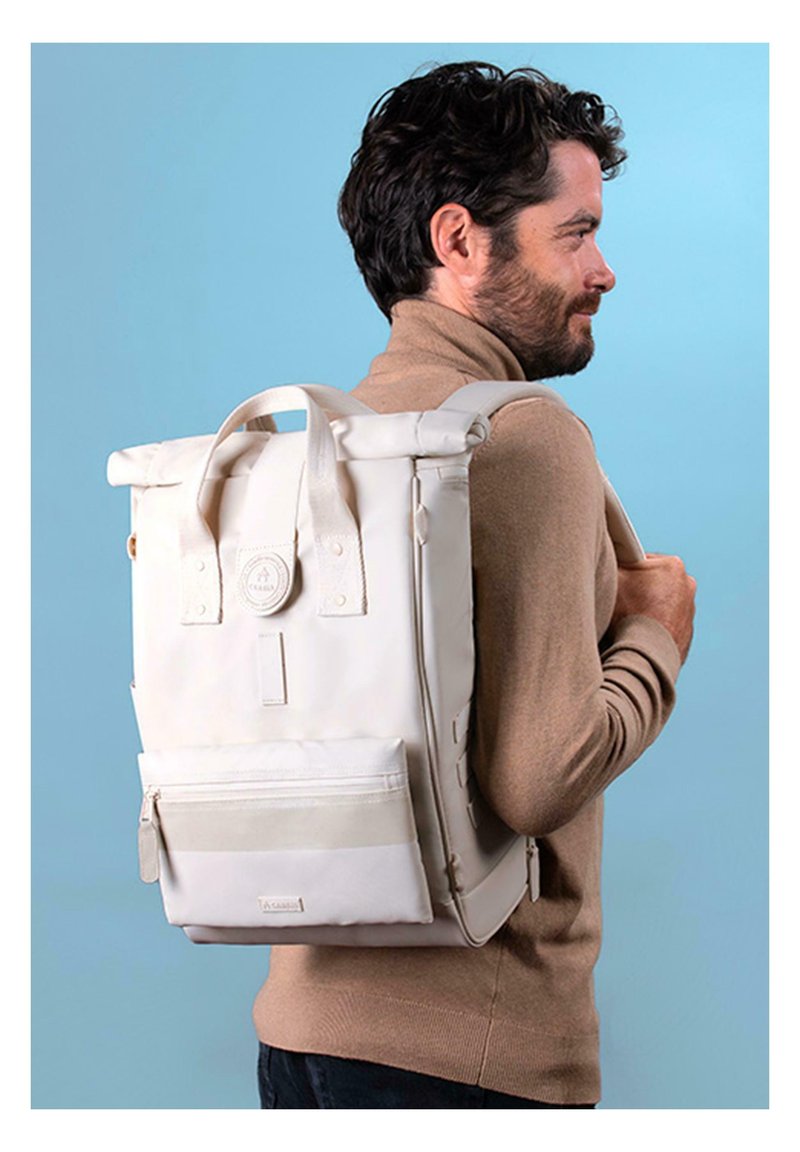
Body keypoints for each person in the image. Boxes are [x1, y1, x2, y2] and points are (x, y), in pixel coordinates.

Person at [252, 60, 696, 1110]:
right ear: (459, 241)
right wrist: (656, 638)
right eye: (575, 233)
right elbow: (536, 780)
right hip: (471, 1057)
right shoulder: (525, 437)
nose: (603, 271)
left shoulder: (315, 445)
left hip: (296, 1036)